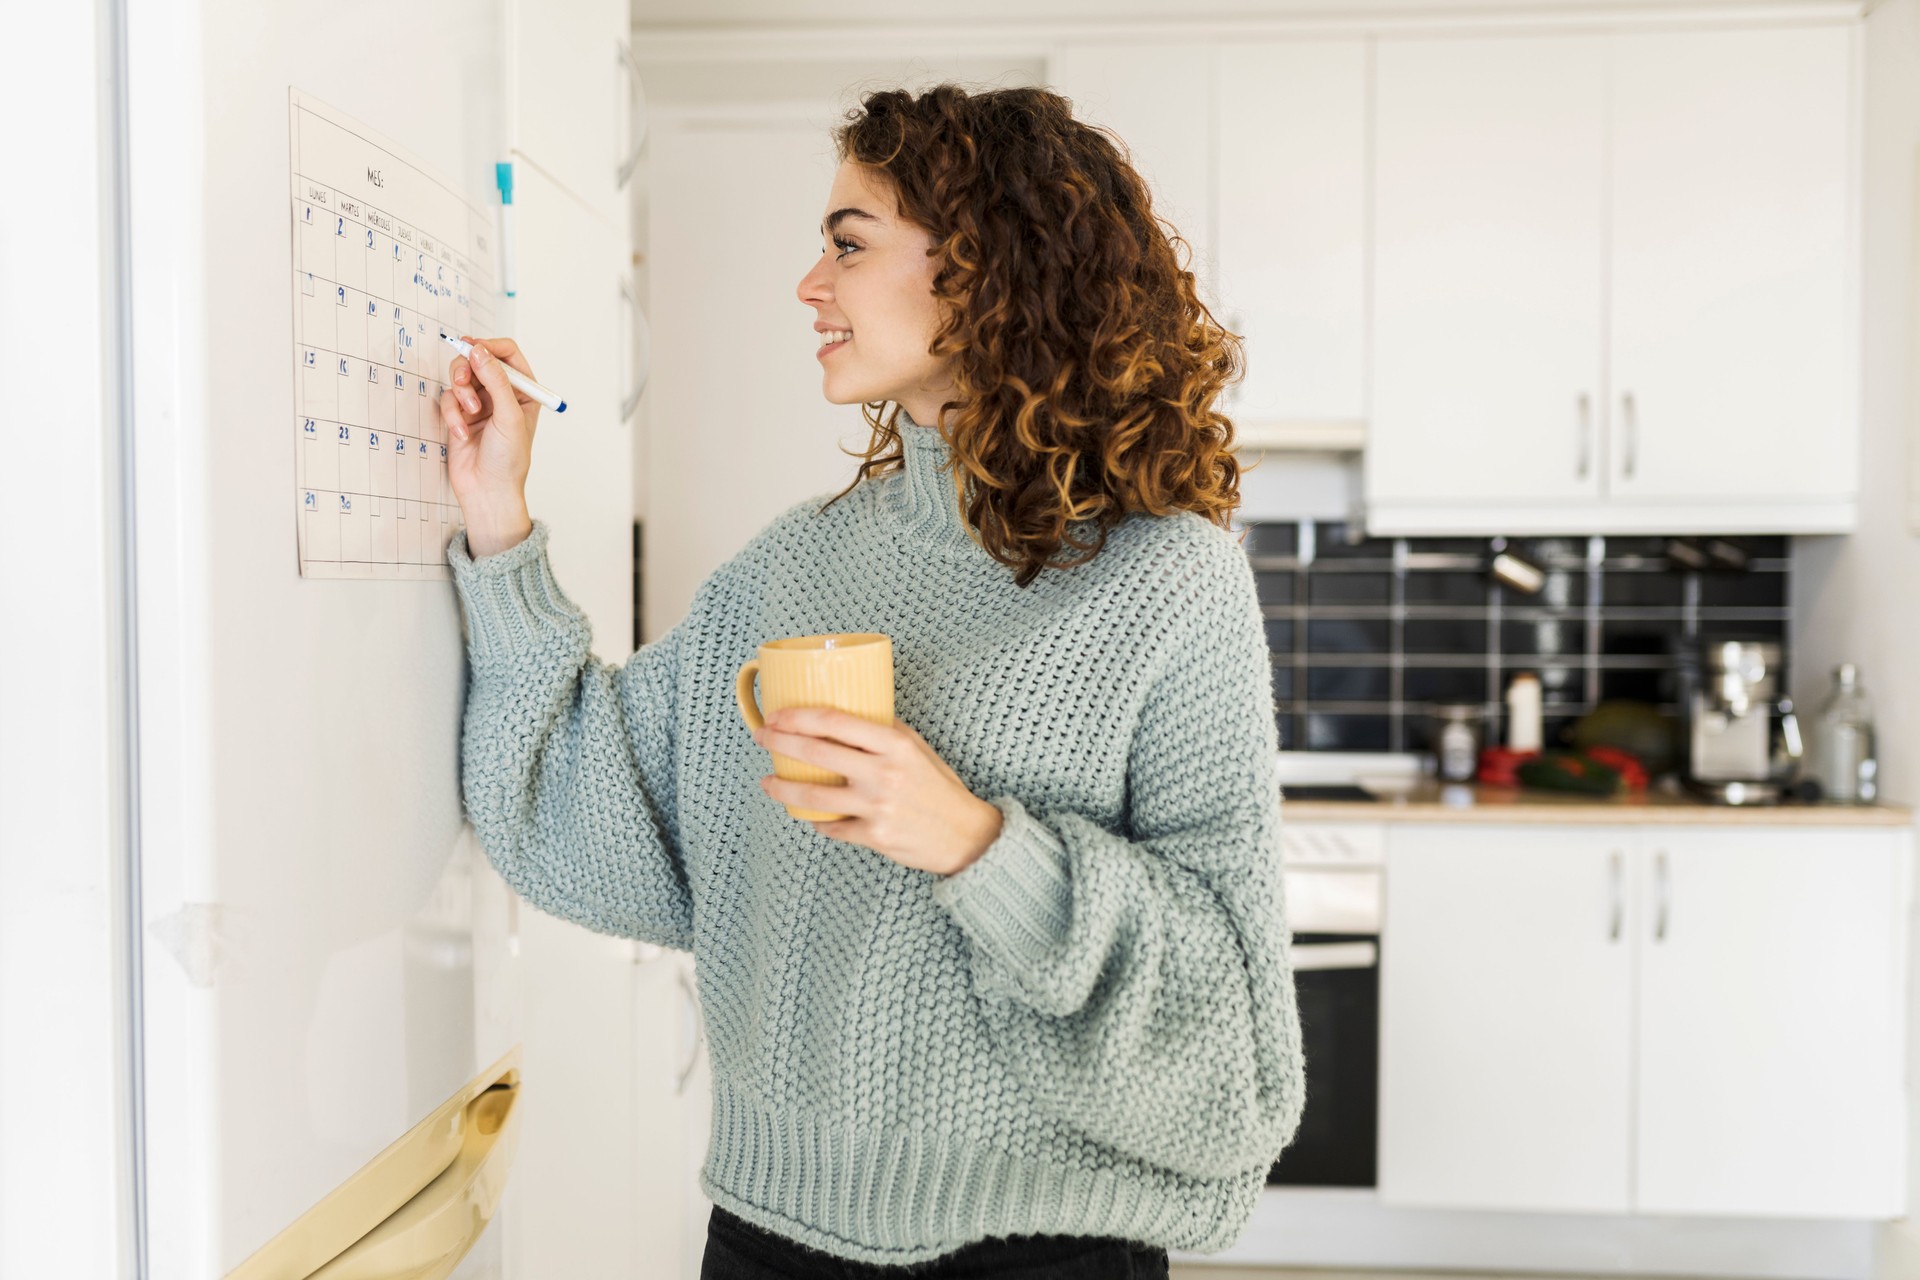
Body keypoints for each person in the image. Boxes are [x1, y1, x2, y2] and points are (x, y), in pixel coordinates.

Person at [438, 83, 1305, 1279]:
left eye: (849, 244)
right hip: (766, 1239)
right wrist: (499, 522)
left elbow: (1235, 1055)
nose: (810, 285)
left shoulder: (1168, 584)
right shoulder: (793, 565)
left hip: (1036, 1253)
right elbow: (580, 804)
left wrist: (977, 845)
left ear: (989, 268)